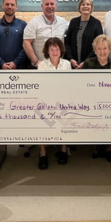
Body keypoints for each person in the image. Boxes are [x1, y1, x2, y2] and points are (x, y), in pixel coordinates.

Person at [82, 34, 111, 161]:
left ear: (109, 49)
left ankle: (108, 145)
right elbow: (81, 85)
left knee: (109, 112)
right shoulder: (88, 64)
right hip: (90, 100)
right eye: (99, 49)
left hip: (110, 101)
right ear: (95, 50)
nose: (102, 52)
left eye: (105, 48)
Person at [36, 37, 71, 169]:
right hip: (46, 100)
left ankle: (63, 148)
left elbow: (68, 84)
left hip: (63, 99)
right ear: (47, 51)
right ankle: (42, 151)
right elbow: (42, 85)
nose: (55, 52)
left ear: (61, 50)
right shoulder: (42, 65)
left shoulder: (67, 64)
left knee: (65, 116)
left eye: (57, 49)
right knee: (42, 119)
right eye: (52, 49)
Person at [23, 0, 68, 68]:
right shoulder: (34, 23)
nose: (50, 6)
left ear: (55, 6)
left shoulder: (63, 22)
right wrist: (35, 61)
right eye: (47, 4)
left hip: (59, 67)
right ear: (42, 6)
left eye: (52, 4)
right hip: (40, 67)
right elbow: (26, 43)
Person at [0, 0, 28, 69]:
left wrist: (15, 63)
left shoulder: (23, 25)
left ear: (16, 7)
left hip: (19, 67)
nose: (9, 6)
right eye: (7, 4)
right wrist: (1, 63)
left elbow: (26, 46)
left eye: (12, 5)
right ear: (2, 6)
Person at [64, 0, 103, 69]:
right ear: (79, 8)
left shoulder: (96, 23)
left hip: (90, 64)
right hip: (73, 64)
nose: (85, 6)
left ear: (91, 8)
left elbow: (99, 45)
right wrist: (70, 59)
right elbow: (67, 42)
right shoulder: (73, 22)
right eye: (83, 4)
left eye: (88, 4)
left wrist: (86, 62)